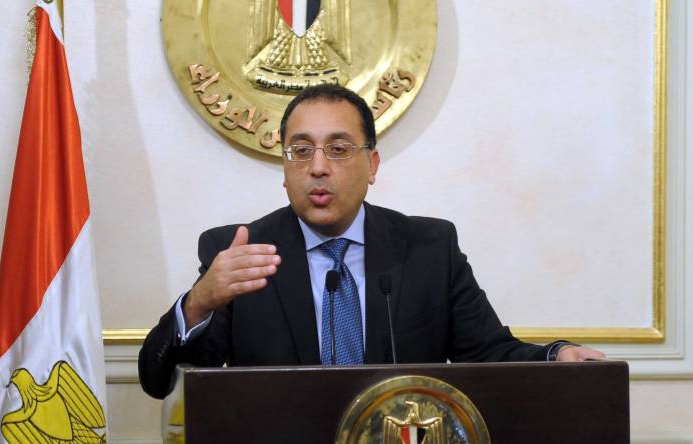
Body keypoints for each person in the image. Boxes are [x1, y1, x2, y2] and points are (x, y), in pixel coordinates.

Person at [138, 84, 605, 399]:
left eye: (339, 149)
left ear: (372, 165)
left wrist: (555, 355)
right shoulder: (241, 253)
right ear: (285, 168)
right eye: (301, 150)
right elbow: (159, 382)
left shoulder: (429, 248)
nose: (317, 167)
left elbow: (488, 352)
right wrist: (197, 305)